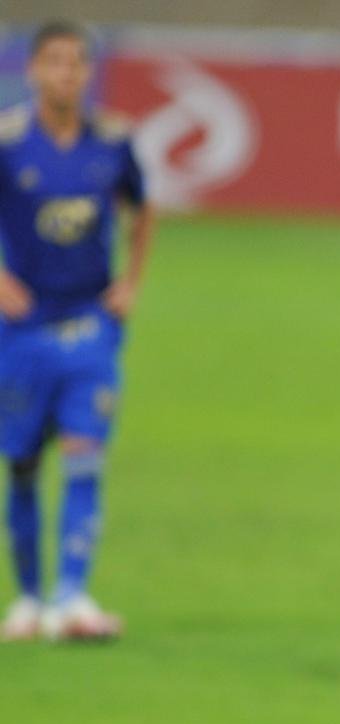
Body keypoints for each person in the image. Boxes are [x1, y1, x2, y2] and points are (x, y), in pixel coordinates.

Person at [0, 21, 153, 641]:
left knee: (85, 456)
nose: (67, 73)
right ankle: (29, 598)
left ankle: (71, 597)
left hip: (91, 325)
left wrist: (131, 282)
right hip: (22, 329)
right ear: (34, 69)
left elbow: (143, 207)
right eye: (56, 61)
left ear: (89, 72)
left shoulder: (113, 141)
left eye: (77, 63)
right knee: (23, 463)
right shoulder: (9, 141)